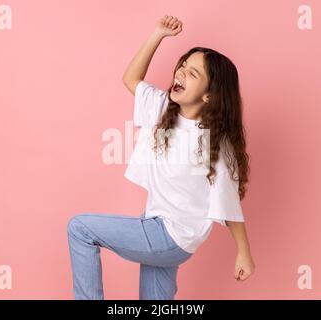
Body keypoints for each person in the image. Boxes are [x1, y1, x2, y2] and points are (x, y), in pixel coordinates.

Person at [67, 14, 255, 300]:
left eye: (193, 74)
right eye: (183, 65)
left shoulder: (215, 142)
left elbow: (228, 202)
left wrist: (244, 253)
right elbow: (131, 79)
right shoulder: (162, 108)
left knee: (79, 228)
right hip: (162, 230)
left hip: (169, 237)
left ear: (209, 96)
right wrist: (158, 33)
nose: (180, 73)